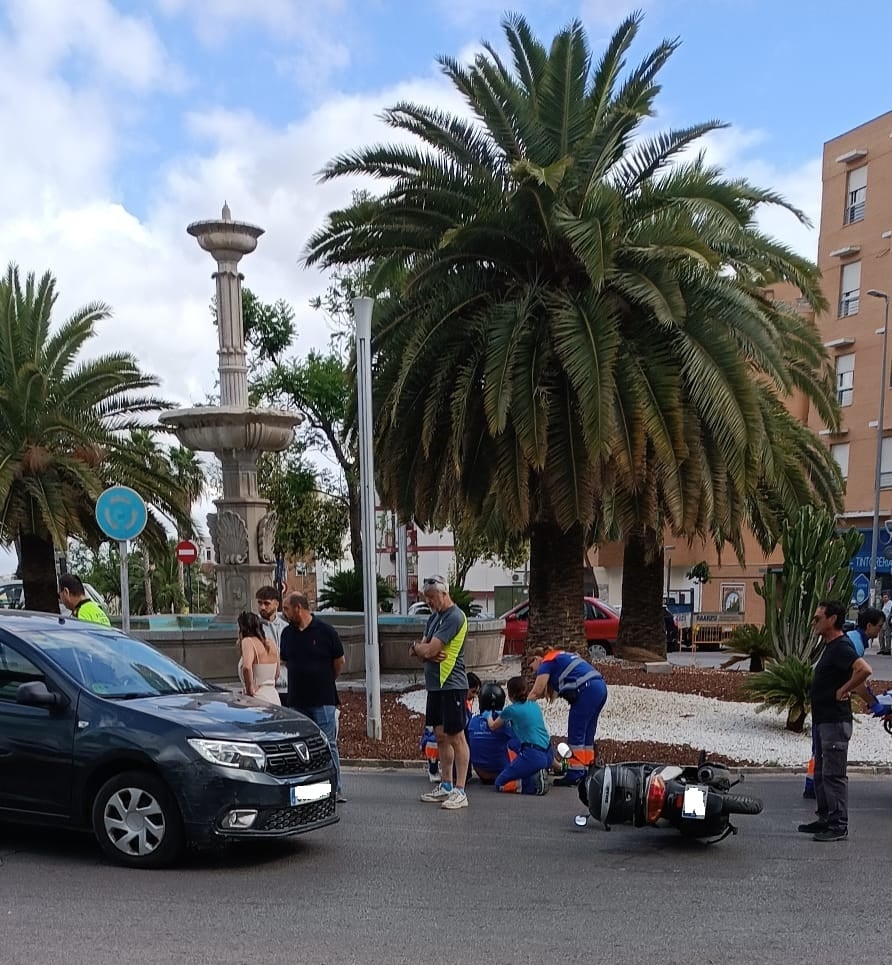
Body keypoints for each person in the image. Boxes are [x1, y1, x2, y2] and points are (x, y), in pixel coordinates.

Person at [799, 599, 873, 842]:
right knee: (821, 772)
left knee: (833, 774)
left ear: (832, 619)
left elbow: (863, 669)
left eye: (818, 618)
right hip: (824, 721)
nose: (814, 622)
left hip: (834, 721)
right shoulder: (830, 646)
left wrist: (843, 690)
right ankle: (825, 819)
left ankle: (838, 824)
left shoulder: (842, 646)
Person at [410, 575, 470, 810]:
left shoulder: (454, 617)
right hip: (435, 686)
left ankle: (461, 791)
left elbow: (431, 648)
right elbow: (422, 649)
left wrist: (424, 650)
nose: (430, 603)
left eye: (433, 598)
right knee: (441, 735)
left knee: (457, 736)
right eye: (427, 599)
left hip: (452, 685)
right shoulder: (433, 618)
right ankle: (446, 786)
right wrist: (420, 649)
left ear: (444, 594)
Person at [281, 592, 347, 803]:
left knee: (328, 744)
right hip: (297, 700)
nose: (284, 613)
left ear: (298, 608)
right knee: (299, 747)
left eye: (286, 608)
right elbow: (285, 661)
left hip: (323, 699)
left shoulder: (326, 632)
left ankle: (335, 789)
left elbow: (340, 662)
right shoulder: (287, 634)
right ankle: (306, 790)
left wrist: (326, 680)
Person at [528, 646, 608, 786]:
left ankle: (574, 774)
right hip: (599, 687)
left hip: (586, 690)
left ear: (536, 659)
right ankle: (587, 769)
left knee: (576, 732)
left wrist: (522, 707)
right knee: (587, 734)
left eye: (531, 667)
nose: (533, 672)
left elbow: (536, 692)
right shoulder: (560, 656)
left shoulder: (546, 662)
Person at [487, 676, 551, 795]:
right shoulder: (534, 705)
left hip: (532, 755)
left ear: (510, 695)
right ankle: (537, 773)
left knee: (500, 783)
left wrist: (487, 716)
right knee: (513, 744)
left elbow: (493, 726)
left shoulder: (510, 710)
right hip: (547, 752)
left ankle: (533, 785)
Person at [420, 671, 480, 784]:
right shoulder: (457, 702)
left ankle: (450, 778)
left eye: (477, 693)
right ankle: (436, 771)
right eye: (473, 692)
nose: (474, 696)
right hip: (433, 740)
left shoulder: (464, 703)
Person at [237, 610, 280, 705]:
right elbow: (277, 673)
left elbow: (247, 667)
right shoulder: (271, 643)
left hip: (257, 697)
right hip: (273, 695)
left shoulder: (247, 641)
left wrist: (249, 690)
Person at [256, 585, 289, 692]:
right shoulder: (254, 627)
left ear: (276, 604)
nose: (262, 607)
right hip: (265, 687)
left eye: (266, 603)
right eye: (260, 603)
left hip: (286, 686)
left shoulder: (286, 627)